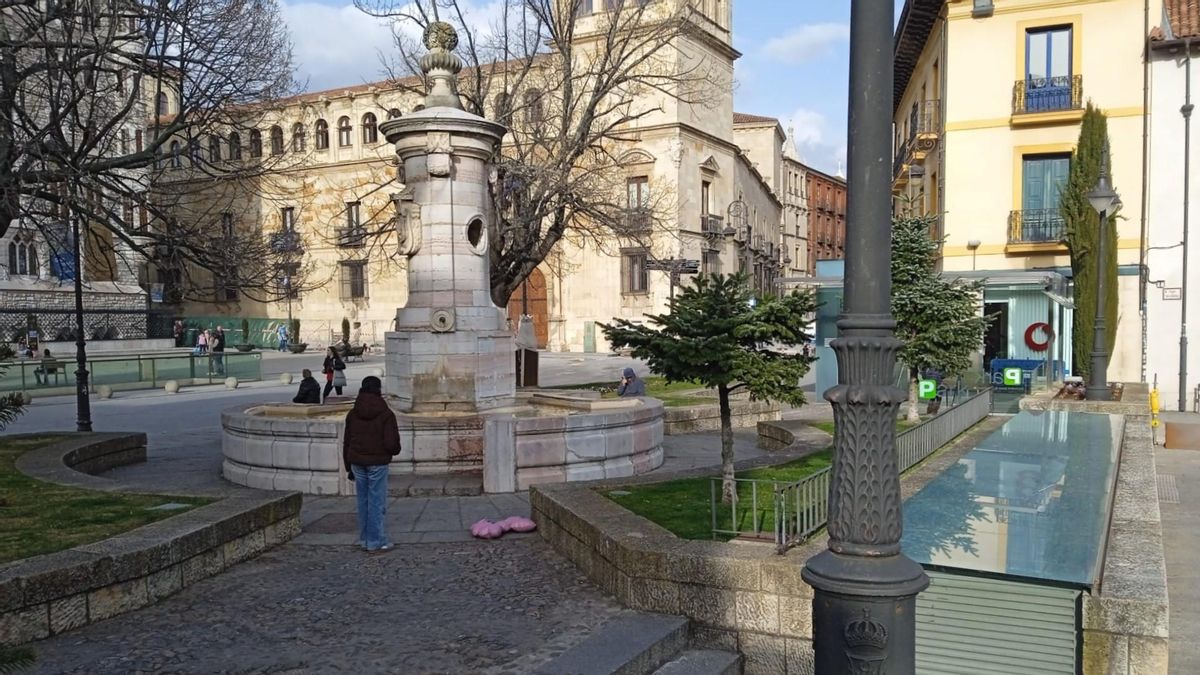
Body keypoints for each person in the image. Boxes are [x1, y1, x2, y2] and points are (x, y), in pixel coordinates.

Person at [343, 376, 400, 553]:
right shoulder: (385, 414)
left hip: (357, 462)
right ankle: (376, 541)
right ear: (378, 390)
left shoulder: (353, 413)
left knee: (363, 501)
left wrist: (348, 466)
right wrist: (393, 450)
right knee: (377, 502)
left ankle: (365, 539)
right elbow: (391, 444)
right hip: (377, 462)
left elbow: (347, 441)